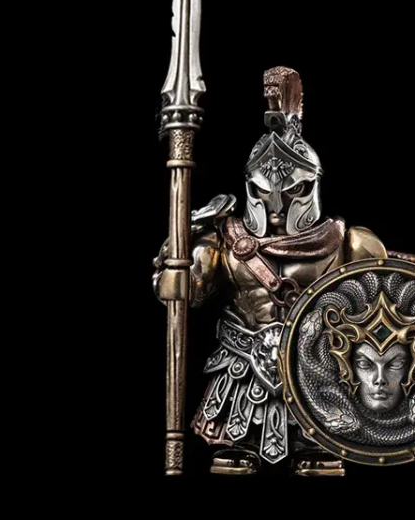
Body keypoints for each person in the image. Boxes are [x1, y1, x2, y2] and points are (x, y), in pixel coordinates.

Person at [153, 66, 387, 476]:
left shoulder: (349, 243)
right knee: (233, 458)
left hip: (317, 362)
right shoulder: (224, 241)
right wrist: (176, 258)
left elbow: (380, 314)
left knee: (318, 459)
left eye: (293, 190)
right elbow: (188, 293)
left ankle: (314, 443)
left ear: (312, 184)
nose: (277, 206)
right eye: (264, 191)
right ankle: (239, 441)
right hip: (242, 360)